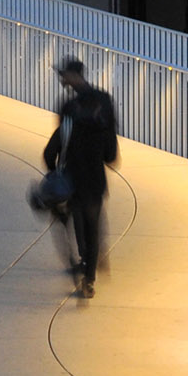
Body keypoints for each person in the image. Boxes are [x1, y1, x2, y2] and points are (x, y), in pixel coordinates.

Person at [42, 56, 117, 298]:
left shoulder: (68, 108)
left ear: (74, 76)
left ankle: (85, 263)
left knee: (80, 225)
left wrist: (55, 173)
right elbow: (110, 143)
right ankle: (90, 277)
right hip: (94, 176)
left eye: (64, 75)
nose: (62, 79)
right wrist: (108, 156)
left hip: (74, 176)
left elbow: (56, 143)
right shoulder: (103, 101)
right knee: (92, 225)